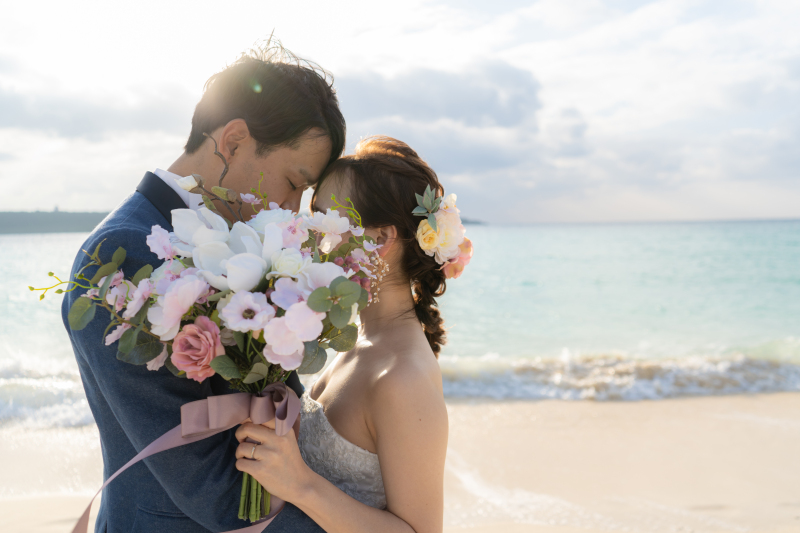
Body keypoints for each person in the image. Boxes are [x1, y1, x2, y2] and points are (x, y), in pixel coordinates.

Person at [61, 43, 345, 533]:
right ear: (232, 142)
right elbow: (213, 490)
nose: (293, 208)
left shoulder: (241, 243)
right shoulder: (125, 253)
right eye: (293, 182)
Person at [233, 136, 468, 533]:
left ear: (379, 239)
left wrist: (301, 485)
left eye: (324, 218)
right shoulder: (357, 338)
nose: (308, 230)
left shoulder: (404, 378)